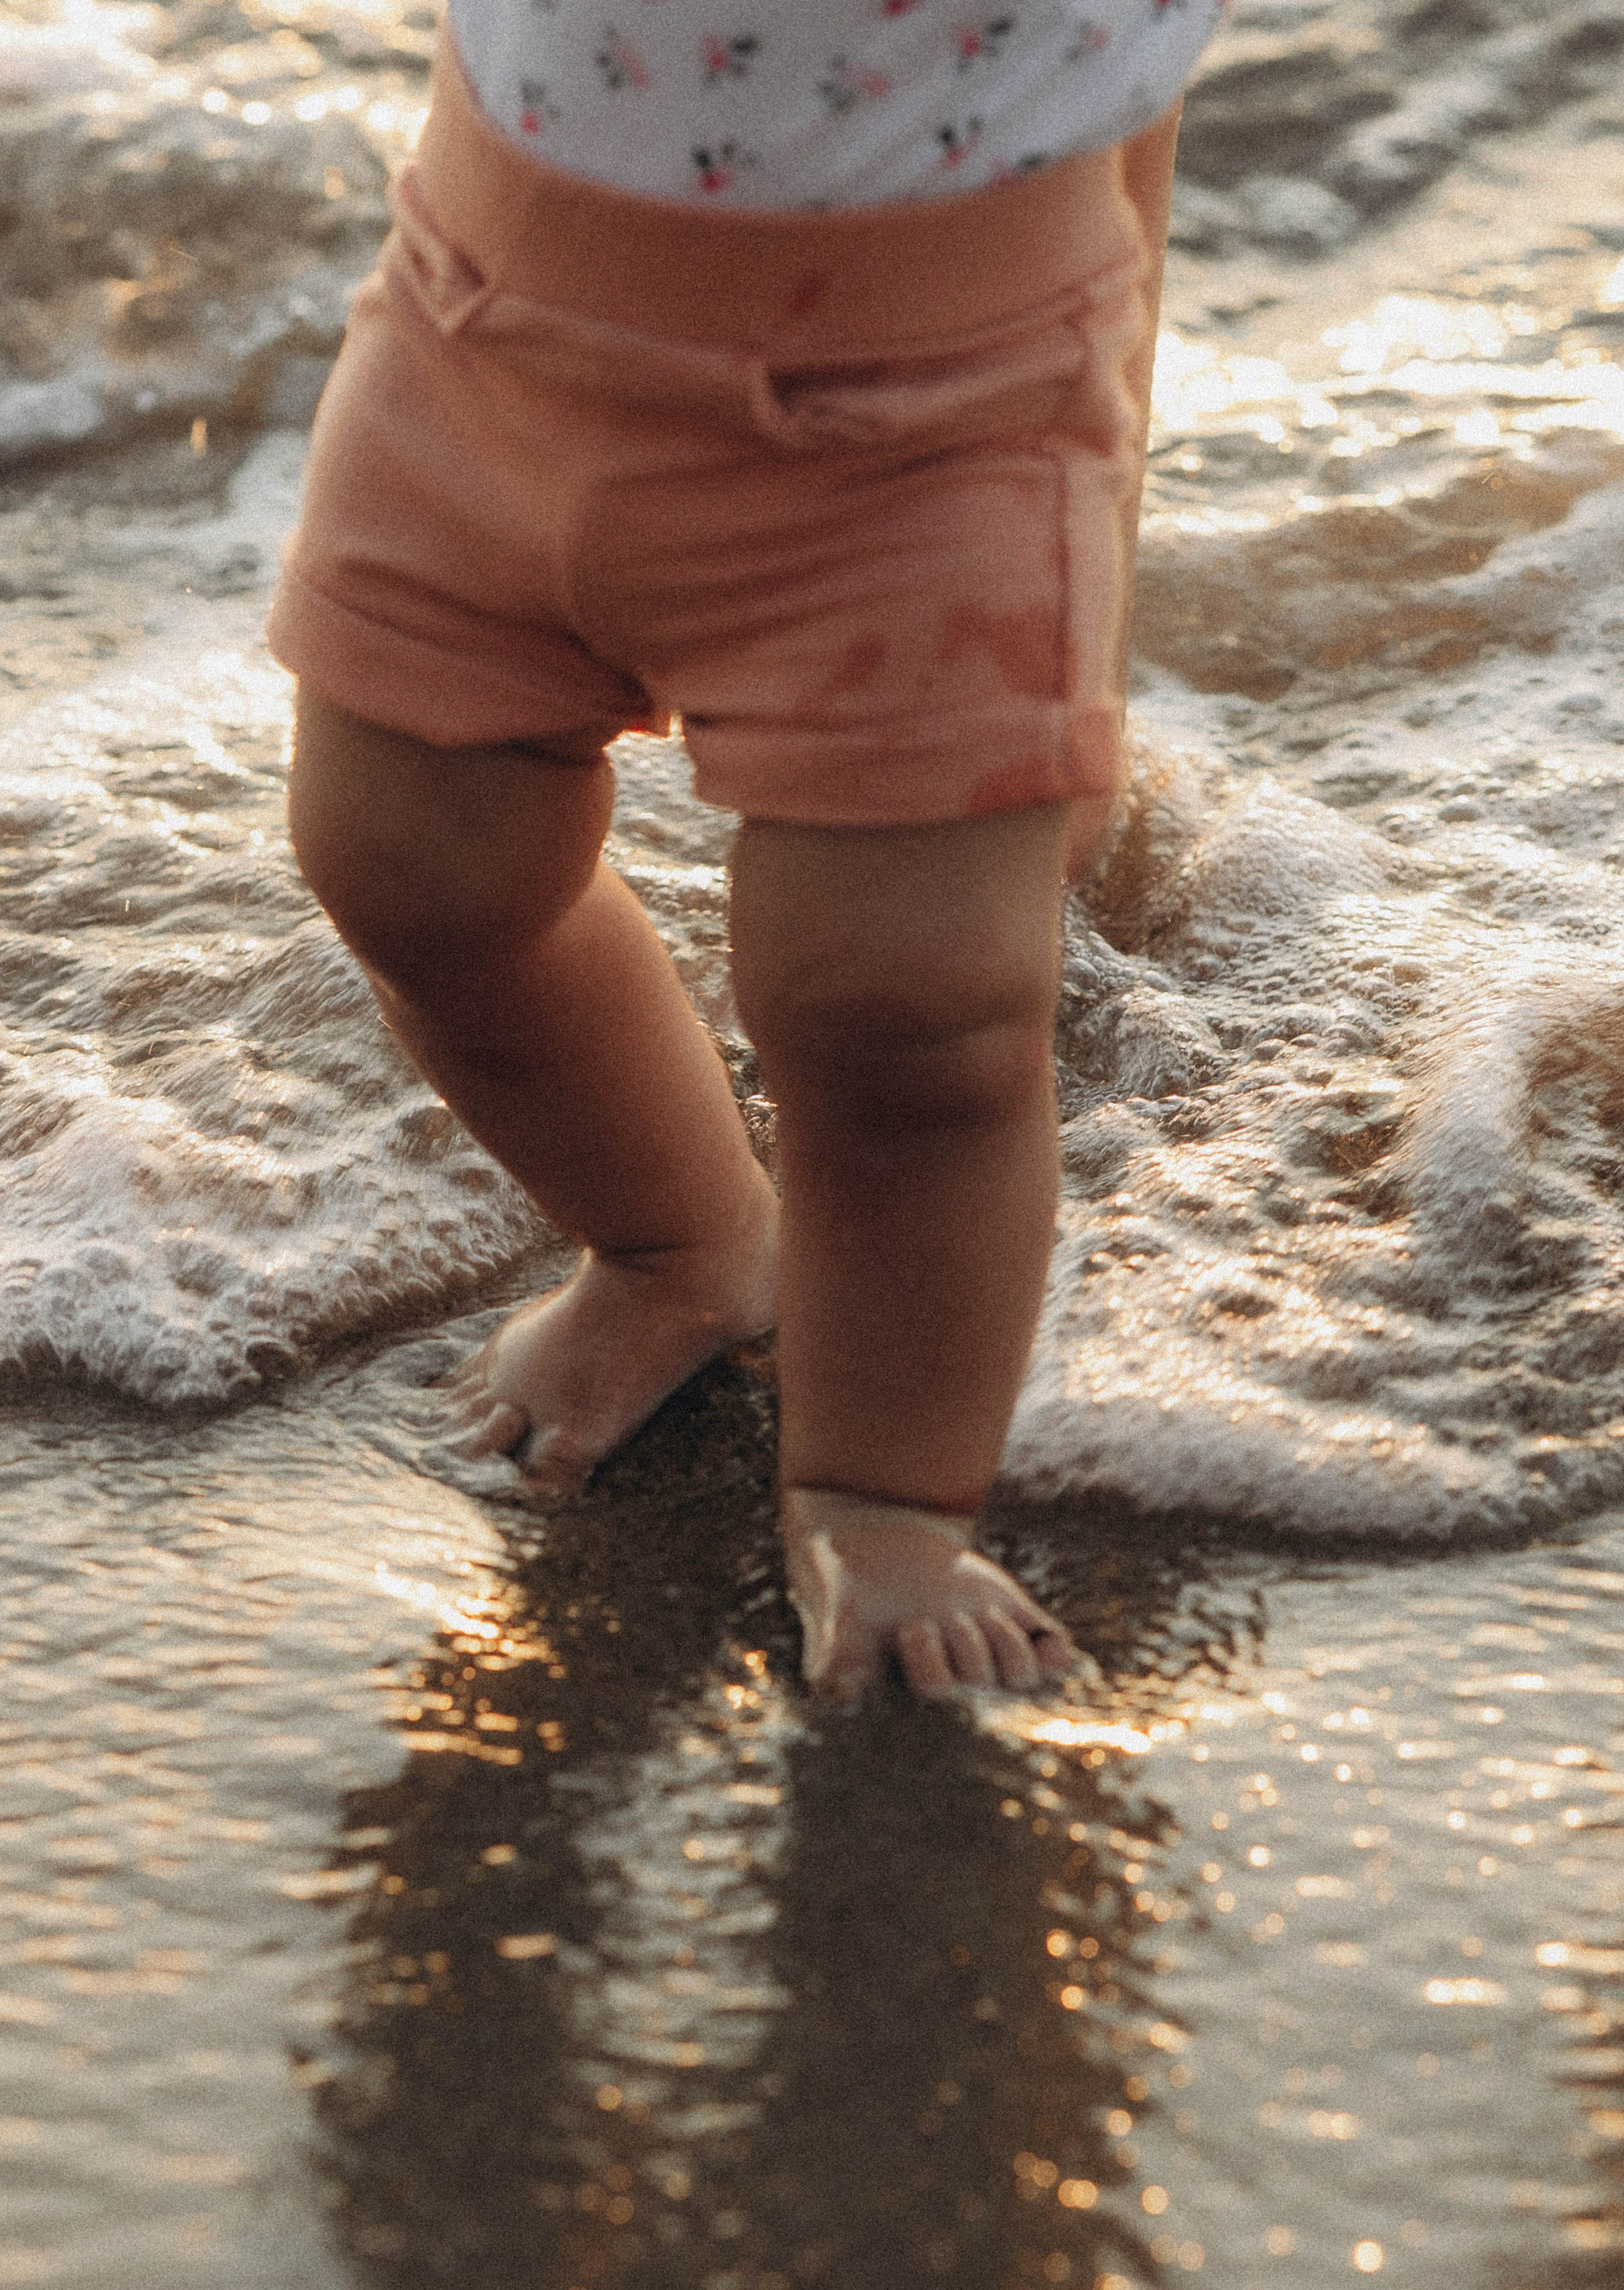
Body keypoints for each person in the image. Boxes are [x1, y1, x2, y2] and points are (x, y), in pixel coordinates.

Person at [267, 0, 1213, 1700]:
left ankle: (883, 1492)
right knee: (408, 856)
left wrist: (1093, 556)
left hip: (946, 408)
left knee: (908, 1009)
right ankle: (677, 1239)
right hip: (482, 327)